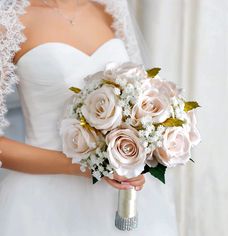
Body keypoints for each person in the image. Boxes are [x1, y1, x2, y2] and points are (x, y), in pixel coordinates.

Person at [0, 1, 178, 235]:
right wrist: (87, 167)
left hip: (122, 196)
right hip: (45, 202)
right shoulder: (10, 23)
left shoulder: (110, 10)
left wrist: (140, 153)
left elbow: (138, 98)